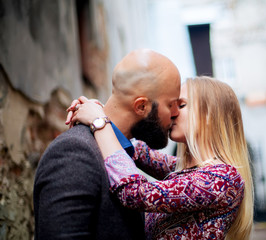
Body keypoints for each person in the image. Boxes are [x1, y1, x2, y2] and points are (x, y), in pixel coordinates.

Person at [68, 76, 254, 239]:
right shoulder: (184, 170)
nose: (172, 113)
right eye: (171, 105)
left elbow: (136, 193)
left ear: (209, 115)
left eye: (181, 105)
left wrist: (99, 123)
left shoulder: (222, 179)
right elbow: (138, 151)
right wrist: (100, 111)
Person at [33, 49, 181, 239]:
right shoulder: (75, 152)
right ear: (141, 106)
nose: (175, 113)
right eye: (171, 104)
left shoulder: (123, 152)